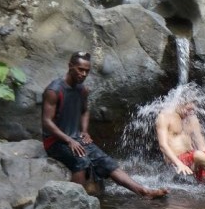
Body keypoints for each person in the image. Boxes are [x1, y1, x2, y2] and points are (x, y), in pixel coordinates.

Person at [42, 51, 168, 199]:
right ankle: (75, 201)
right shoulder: (54, 90)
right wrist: (69, 140)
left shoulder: (82, 90)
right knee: (81, 161)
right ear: (70, 66)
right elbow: (47, 121)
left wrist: (84, 131)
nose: (83, 74)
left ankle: (143, 191)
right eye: (80, 69)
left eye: (87, 71)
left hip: (76, 138)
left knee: (107, 161)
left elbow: (85, 111)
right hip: (55, 142)